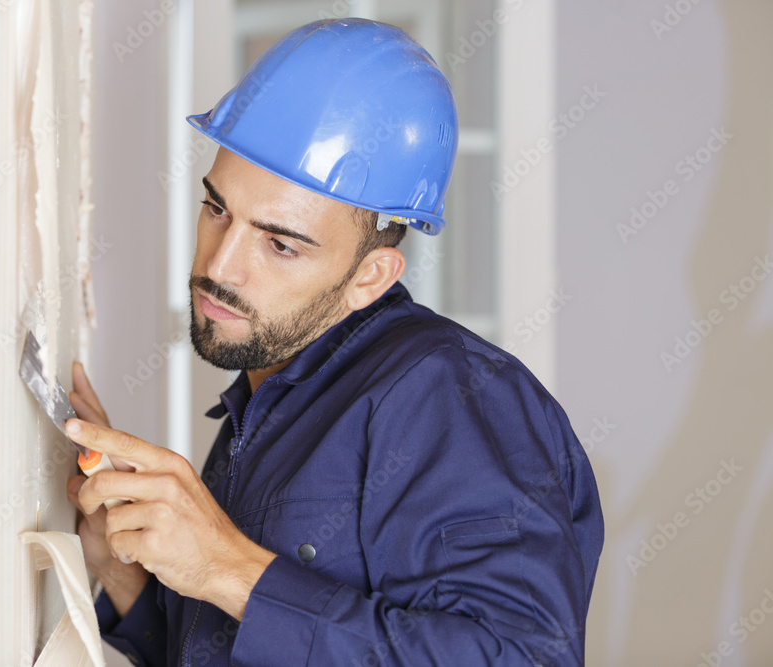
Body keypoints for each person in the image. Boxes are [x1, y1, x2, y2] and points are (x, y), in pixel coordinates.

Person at [64, 18, 603, 667]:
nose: (220, 266)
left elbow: (525, 658)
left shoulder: (449, 394)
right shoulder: (264, 400)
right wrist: (126, 566)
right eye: (216, 209)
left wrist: (229, 568)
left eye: (280, 243)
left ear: (368, 277)